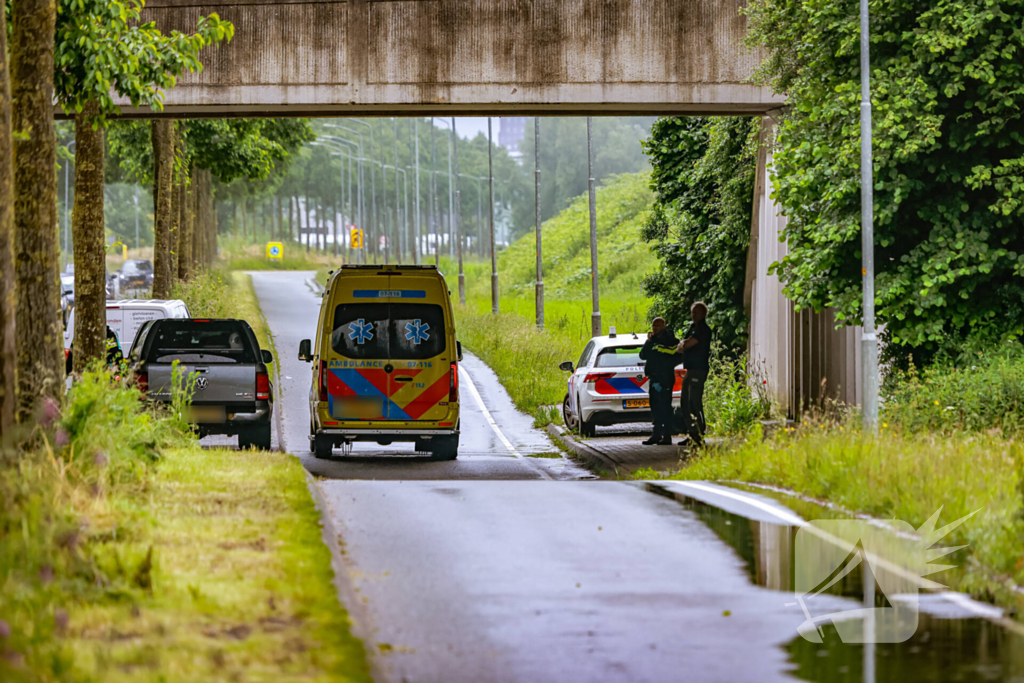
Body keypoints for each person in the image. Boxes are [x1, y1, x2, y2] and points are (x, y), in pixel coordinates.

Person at [639, 317, 680, 446]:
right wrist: (648, 341)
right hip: (654, 378)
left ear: (664, 326)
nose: (655, 328)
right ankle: (656, 434)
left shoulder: (671, 340)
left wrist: (664, 367)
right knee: (655, 407)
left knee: (665, 406)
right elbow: (643, 355)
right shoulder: (653, 341)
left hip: (665, 378)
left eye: (658, 325)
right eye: (653, 326)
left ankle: (667, 435)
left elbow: (676, 357)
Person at [677, 302, 712, 446]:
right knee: (685, 401)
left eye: (697, 312)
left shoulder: (703, 329)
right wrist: (683, 344)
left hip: (699, 369)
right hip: (690, 369)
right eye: (693, 312)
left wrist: (684, 344)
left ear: (703, 314)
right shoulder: (693, 327)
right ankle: (691, 433)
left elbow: (686, 344)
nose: (694, 315)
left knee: (694, 402)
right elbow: (681, 345)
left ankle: (699, 433)